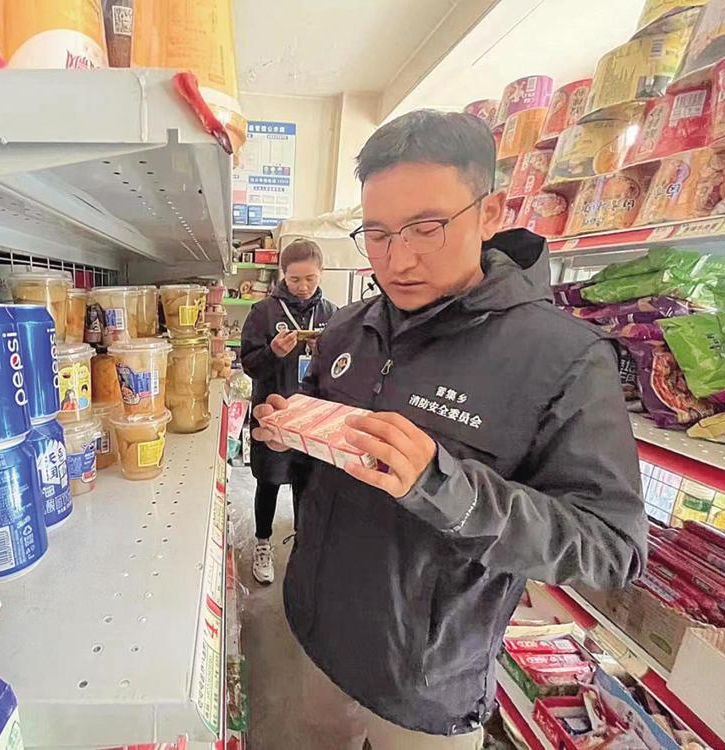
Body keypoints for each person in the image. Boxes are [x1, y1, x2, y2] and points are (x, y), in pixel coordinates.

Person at [252, 110, 648, 748]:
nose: (398, 259)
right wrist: (288, 435)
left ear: (488, 213)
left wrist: (445, 486)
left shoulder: (563, 358)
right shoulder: (348, 328)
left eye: (426, 228)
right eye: (376, 234)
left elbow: (611, 547)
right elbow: (323, 468)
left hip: (425, 680)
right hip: (318, 628)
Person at [240, 239, 337, 585]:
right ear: (283, 275)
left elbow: (343, 370)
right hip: (273, 414)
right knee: (268, 481)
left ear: (321, 273)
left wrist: (326, 352)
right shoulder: (263, 312)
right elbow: (249, 365)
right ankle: (262, 543)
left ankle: (302, 547)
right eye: (295, 279)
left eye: (310, 278)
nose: (303, 286)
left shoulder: (332, 314)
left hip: (312, 418)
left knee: (306, 486)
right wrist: (273, 353)